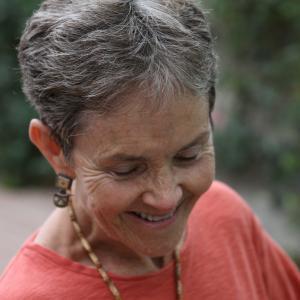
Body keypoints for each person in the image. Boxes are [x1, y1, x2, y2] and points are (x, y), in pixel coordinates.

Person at [0, 0, 299, 299]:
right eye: (126, 170)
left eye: (188, 156)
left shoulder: (225, 217)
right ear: (54, 150)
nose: (166, 197)